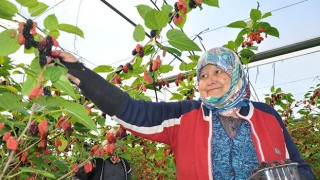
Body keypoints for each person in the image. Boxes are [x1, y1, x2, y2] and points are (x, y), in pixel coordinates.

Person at [55, 47, 314, 179]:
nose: (210, 80)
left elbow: (300, 168)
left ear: (235, 74)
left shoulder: (267, 115)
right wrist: (81, 74)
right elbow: (132, 110)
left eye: (218, 72)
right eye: (203, 75)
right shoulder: (185, 116)